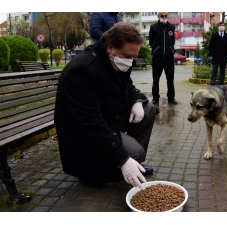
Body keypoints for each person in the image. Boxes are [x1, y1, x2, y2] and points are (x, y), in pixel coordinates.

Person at [54, 22, 155, 187]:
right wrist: (122, 159)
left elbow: (127, 86)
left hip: (108, 117)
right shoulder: (82, 70)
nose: (130, 62)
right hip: (83, 135)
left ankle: (130, 162)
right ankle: (103, 169)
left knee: (148, 109)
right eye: (127, 56)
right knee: (134, 153)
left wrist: (136, 101)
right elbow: (91, 124)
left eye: (133, 56)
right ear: (110, 47)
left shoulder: (115, 59)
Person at [149, 12, 178, 104]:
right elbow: (151, 41)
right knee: (155, 79)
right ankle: (155, 98)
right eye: (162, 16)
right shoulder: (153, 27)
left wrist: (171, 50)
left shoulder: (172, 27)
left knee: (170, 79)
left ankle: (171, 98)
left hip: (169, 57)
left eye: (166, 16)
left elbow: (172, 41)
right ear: (158, 16)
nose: (164, 17)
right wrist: (156, 50)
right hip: (157, 58)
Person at [208, 21, 227, 85]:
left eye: (223, 25)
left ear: (224, 27)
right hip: (215, 56)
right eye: (220, 25)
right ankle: (212, 84)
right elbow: (210, 46)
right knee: (214, 71)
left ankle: (221, 84)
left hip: (224, 57)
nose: (222, 26)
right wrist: (210, 55)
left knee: (223, 72)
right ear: (218, 27)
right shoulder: (214, 35)